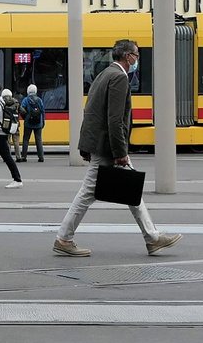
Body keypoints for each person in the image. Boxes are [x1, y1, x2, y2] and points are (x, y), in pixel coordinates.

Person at [53, 39, 181, 257]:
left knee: (131, 191)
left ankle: (152, 238)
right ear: (127, 56)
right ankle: (64, 238)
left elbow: (91, 112)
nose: (137, 59)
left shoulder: (103, 74)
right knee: (88, 194)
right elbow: (115, 119)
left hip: (100, 143)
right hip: (108, 147)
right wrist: (120, 152)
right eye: (136, 55)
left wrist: (85, 147)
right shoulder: (120, 77)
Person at [18, 83, 46, 163]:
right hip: (38, 123)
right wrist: (43, 121)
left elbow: (22, 110)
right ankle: (41, 157)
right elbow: (43, 111)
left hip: (28, 122)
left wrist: (25, 118)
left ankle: (24, 156)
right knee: (39, 139)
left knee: (26, 139)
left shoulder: (26, 100)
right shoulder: (39, 100)